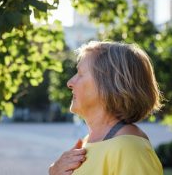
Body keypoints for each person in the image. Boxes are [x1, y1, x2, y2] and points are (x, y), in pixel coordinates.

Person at [49, 41, 163, 175]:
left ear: (109, 83)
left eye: (80, 74)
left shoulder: (128, 149)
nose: (70, 83)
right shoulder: (89, 142)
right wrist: (54, 172)